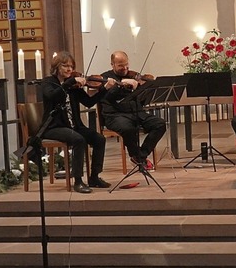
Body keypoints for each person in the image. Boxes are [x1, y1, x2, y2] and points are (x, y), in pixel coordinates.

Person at [41, 51, 111, 193]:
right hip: (53, 126)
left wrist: (104, 89)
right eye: (65, 66)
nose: (69, 70)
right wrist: (69, 83)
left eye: (71, 66)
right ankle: (78, 181)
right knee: (79, 140)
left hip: (74, 125)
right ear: (56, 67)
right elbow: (52, 96)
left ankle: (94, 177)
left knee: (99, 139)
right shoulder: (48, 82)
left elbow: (88, 102)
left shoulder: (74, 85)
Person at [100, 51, 166, 171]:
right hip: (115, 116)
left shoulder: (133, 76)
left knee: (160, 124)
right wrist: (120, 85)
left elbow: (142, 101)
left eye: (126, 64)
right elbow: (107, 97)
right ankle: (137, 157)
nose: (125, 68)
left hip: (136, 113)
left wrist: (144, 88)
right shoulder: (105, 78)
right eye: (120, 65)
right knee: (128, 128)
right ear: (112, 64)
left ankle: (140, 156)